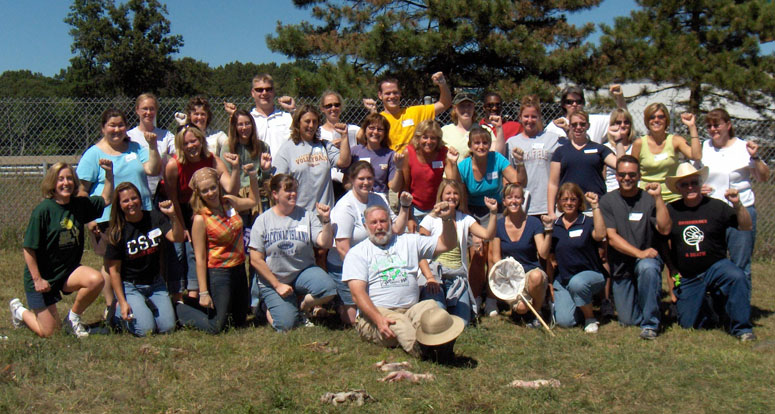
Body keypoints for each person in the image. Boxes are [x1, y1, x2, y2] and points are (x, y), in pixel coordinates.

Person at [10, 161, 113, 338]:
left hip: (66, 272)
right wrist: (37, 279)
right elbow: (28, 249)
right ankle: (20, 312)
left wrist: (109, 175)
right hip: (43, 277)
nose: (65, 183)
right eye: (60, 179)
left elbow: (106, 199)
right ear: (52, 183)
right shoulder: (43, 210)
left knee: (96, 279)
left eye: (69, 178)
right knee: (50, 333)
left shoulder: (78, 205)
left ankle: (73, 319)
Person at [341, 200, 458, 356]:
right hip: (375, 315)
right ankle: (430, 355)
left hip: (410, 309)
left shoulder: (408, 241)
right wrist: (378, 319)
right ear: (365, 227)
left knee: (433, 309)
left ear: (391, 222)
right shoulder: (357, 253)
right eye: (373, 223)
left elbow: (446, 244)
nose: (379, 226)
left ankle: (444, 346)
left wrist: (447, 219)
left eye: (383, 221)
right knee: (401, 325)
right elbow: (357, 294)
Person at [77, 108, 160, 317]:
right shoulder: (93, 154)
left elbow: (152, 169)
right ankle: (111, 305)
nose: (116, 129)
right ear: (103, 128)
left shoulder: (135, 148)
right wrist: (90, 218)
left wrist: (152, 147)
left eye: (120, 125)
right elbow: (82, 191)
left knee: (140, 257)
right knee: (111, 263)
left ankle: (142, 300)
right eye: (111, 125)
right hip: (108, 218)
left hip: (140, 214)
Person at [664, 163, 755, 341]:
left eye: (694, 182)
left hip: (716, 267)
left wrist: (737, 204)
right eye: (684, 184)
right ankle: (713, 306)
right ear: (678, 188)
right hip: (689, 275)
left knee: (737, 276)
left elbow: (746, 225)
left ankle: (742, 328)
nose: (690, 187)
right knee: (688, 324)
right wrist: (673, 279)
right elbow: (664, 246)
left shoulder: (717, 207)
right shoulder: (671, 210)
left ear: (700, 184)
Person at [249, 174, 338, 331]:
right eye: (288, 191)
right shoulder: (263, 220)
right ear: (275, 194)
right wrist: (277, 285)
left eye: (295, 190)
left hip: (302, 273)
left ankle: (302, 306)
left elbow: (325, 242)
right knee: (286, 325)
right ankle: (265, 306)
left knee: (328, 289)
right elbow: (255, 259)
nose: (293, 194)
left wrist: (326, 220)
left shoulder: (306, 216)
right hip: (274, 279)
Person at [175, 166, 258, 334]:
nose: (211, 193)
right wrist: (203, 292)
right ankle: (178, 308)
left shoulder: (229, 202)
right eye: (205, 191)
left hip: (240, 268)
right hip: (219, 272)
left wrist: (253, 177)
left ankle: (198, 305)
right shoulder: (200, 218)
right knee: (217, 327)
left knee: (239, 321)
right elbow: (199, 257)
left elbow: (253, 201)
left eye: (213, 187)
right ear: (198, 193)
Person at [327, 161, 411, 325]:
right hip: (345, 266)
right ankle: (338, 301)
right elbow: (343, 249)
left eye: (370, 178)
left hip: (377, 261)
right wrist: (364, 274)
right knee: (353, 320)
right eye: (361, 178)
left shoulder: (379, 198)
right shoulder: (345, 206)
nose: (366, 182)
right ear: (352, 179)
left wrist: (405, 207)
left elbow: (397, 229)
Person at [599, 156, 671, 340]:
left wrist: (659, 198)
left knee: (647, 267)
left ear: (639, 175)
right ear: (616, 176)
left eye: (632, 174)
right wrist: (639, 252)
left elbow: (665, 228)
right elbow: (612, 239)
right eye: (622, 174)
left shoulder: (649, 199)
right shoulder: (608, 201)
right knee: (627, 320)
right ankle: (644, 303)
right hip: (621, 266)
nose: (627, 178)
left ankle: (650, 324)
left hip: (645, 261)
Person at [164, 125, 240, 300]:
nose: (191, 146)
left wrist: (236, 169)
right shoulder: (173, 165)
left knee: (200, 250)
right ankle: (178, 295)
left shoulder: (211, 160)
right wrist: (182, 227)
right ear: (180, 146)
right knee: (182, 249)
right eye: (186, 143)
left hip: (206, 208)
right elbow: (173, 198)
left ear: (201, 141)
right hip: (180, 209)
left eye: (194, 141)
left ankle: (198, 291)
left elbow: (230, 188)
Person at [698, 108, 769, 286]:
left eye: (717, 125)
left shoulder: (743, 148)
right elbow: (693, 175)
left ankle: (739, 311)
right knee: (713, 261)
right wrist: (699, 189)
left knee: (740, 264)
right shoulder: (704, 147)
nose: (713, 129)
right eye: (709, 126)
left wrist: (756, 158)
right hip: (712, 212)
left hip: (740, 211)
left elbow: (763, 177)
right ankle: (717, 308)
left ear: (728, 125)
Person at [104, 183, 184, 336]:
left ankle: (144, 308)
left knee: (167, 327)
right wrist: (122, 302)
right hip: (131, 286)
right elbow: (114, 271)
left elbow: (178, 237)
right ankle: (116, 314)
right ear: (119, 205)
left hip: (156, 283)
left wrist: (173, 215)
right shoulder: (117, 232)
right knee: (145, 330)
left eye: (134, 198)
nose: (131, 203)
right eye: (125, 201)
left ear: (140, 199)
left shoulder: (154, 217)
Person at [418, 179, 499, 325]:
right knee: (438, 316)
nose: (452, 197)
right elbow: (420, 254)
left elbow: (488, 235)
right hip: (435, 276)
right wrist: (429, 277)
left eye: (456, 193)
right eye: (448, 193)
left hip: (457, 277)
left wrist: (493, 212)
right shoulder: (429, 220)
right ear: (441, 196)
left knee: (463, 322)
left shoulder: (465, 219)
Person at [490, 183, 553, 328]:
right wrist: (507, 280)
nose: (514, 201)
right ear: (504, 201)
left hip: (530, 272)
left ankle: (537, 312)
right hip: (511, 278)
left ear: (523, 200)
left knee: (537, 277)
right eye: (510, 197)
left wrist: (548, 230)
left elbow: (543, 253)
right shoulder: (499, 225)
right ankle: (523, 308)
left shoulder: (533, 223)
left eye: (517, 197)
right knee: (522, 309)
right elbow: (496, 258)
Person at [549, 183, 607, 332]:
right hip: (564, 280)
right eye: (565, 199)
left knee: (578, 284)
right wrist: (550, 284)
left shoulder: (586, 222)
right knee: (565, 322)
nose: (569, 203)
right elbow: (549, 257)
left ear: (579, 201)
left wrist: (595, 206)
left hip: (590, 275)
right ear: (559, 202)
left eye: (573, 199)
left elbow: (600, 235)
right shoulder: (554, 226)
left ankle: (590, 317)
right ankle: (578, 305)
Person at [274, 104, 351, 212]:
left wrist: (344, 136)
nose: (311, 125)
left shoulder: (325, 145)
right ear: (298, 122)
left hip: (324, 214)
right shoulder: (287, 149)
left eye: (315, 121)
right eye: (307, 121)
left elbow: (344, 162)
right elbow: (278, 184)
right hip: (299, 215)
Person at [547, 110, 617, 217]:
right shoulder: (560, 152)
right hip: (568, 208)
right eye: (574, 124)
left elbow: (620, 165)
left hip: (594, 207)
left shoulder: (599, 149)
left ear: (588, 126)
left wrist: (619, 140)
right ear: (569, 126)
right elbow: (553, 183)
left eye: (582, 124)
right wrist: (551, 212)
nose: (578, 127)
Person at [363, 72, 452, 152]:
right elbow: (361, 138)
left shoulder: (415, 112)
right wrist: (373, 114)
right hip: (390, 166)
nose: (392, 96)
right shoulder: (379, 120)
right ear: (380, 95)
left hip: (413, 165)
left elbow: (444, 104)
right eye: (387, 93)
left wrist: (442, 84)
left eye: (395, 92)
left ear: (400, 93)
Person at [631, 103, 701, 203]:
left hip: (673, 198)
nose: (656, 120)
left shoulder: (675, 140)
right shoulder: (639, 144)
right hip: (647, 197)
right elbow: (633, 172)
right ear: (647, 121)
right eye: (652, 117)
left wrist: (692, 126)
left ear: (666, 120)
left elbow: (696, 156)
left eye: (660, 117)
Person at [506, 95, 563, 217]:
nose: (529, 120)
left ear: (539, 118)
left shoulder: (552, 139)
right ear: (520, 117)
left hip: (547, 205)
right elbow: (507, 176)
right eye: (526, 116)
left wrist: (568, 130)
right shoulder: (512, 143)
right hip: (522, 205)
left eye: (534, 117)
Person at [402, 120, 458, 230]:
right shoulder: (409, 152)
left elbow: (453, 183)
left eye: (433, 138)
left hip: (436, 208)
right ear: (418, 138)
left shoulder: (443, 152)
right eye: (425, 137)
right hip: (414, 208)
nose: (429, 141)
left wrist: (453, 163)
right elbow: (405, 187)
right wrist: (409, 218)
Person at [225, 74, 296, 158]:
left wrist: (293, 110)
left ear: (273, 91)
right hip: (257, 169)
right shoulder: (248, 121)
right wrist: (233, 117)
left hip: (285, 170)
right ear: (253, 93)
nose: (264, 93)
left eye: (268, 89)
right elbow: (233, 143)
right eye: (259, 90)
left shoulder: (287, 117)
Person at [220, 108, 273, 215]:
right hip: (238, 199)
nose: (244, 128)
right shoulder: (228, 148)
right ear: (234, 127)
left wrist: (265, 169)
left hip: (259, 197)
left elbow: (265, 180)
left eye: (247, 123)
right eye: (240, 124)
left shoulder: (262, 147)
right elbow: (228, 180)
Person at [126, 92, 175, 197]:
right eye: (145, 108)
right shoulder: (129, 137)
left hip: (160, 191)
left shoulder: (165, 135)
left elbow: (181, 149)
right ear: (137, 110)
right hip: (135, 191)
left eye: (152, 109)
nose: (148, 112)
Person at [545, 84, 627, 143]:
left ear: (583, 103)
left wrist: (619, 97)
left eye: (578, 102)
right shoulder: (554, 127)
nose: (574, 104)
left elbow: (623, 118)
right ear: (563, 104)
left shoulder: (596, 121)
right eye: (569, 102)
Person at [350, 113, 402, 196]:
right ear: (365, 130)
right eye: (371, 128)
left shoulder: (390, 155)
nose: (375, 132)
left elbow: (394, 188)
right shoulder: (355, 152)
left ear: (385, 133)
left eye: (380, 129)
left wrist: (399, 169)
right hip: (357, 197)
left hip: (379, 199)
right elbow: (346, 182)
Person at [319, 90, 360, 195]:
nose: (333, 108)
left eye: (336, 105)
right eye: (329, 106)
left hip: (349, 184)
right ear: (322, 109)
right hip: (326, 185)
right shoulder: (318, 133)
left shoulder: (353, 130)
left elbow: (373, 135)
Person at [441, 92, 504, 158]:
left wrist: (499, 128)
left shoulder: (484, 130)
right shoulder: (445, 131)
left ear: (474, 107)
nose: (466, 109)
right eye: (462, 106)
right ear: (455, 108)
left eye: (469, 105)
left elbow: (498, 155)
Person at [603, 108, 636, 192]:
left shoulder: (636, 146)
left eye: (626, 122)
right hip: (611, 191)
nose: (622, 125)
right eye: (618, 122)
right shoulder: (605, 148)